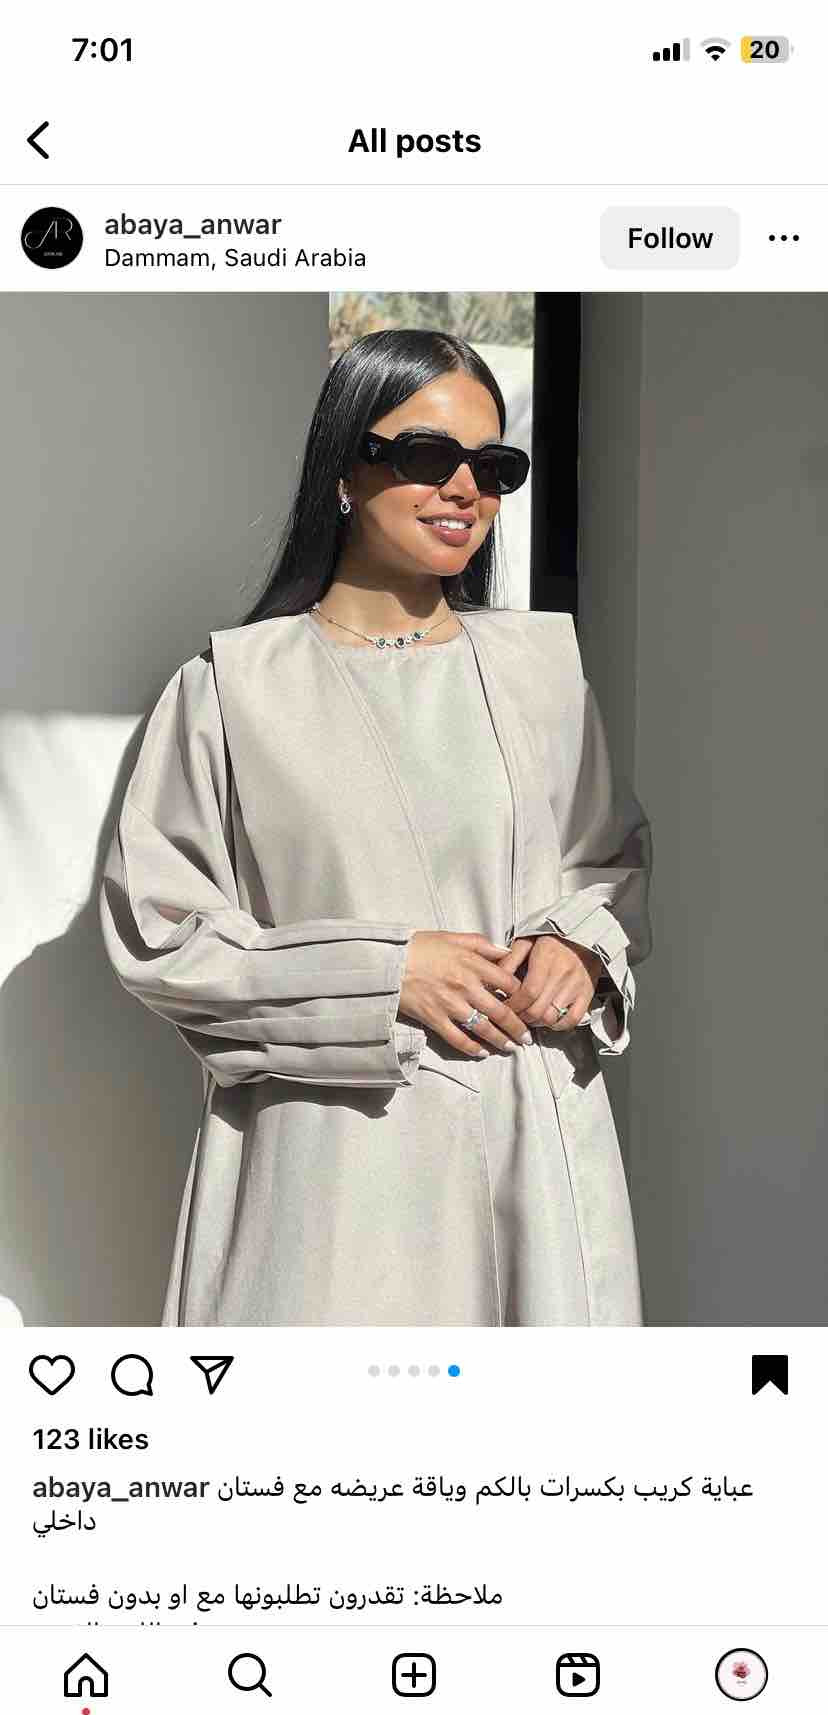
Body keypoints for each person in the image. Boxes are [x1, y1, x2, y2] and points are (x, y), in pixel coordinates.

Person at [99, 327, 652, 1326]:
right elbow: (162, 937)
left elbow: (605, 861)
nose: (465, 489)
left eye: (494, 467)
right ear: (346, 469)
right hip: (337, 1167)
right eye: (429, 455)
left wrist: (580, 945)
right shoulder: (232, 691)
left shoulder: (542, 675)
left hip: (532, 1148)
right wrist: (382, 975)